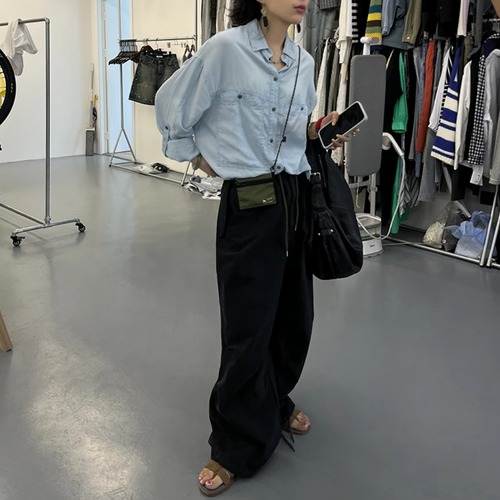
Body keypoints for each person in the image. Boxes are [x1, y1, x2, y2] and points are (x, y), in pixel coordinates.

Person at [155, 0, 348, 496]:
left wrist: (319, 132)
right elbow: (171, 106)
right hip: (249, 202)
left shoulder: (305, 62)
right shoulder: (224, 51)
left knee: (293, 320)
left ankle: (274, 401)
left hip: (296, 198)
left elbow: (293, 132)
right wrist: (201, 159)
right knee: (247, 328)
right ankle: (234, 445)